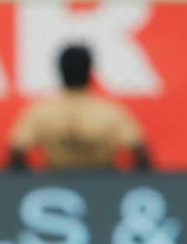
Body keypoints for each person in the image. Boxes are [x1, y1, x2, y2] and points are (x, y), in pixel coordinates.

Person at [8, 44, 150, 171]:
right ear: (89, 71)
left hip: (56, 185)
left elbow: (16, 151)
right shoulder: (110, 112)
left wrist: (25, 185)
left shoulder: (41, 112)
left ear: (60, 71)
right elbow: (141, 153)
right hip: (103, 185)